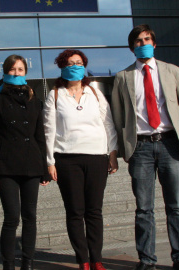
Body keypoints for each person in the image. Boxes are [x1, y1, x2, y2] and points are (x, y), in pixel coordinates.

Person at [111, 24, 179, 270]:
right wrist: (122, 150)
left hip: (170, 144)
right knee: (144, 208)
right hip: (141, 148)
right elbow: (117, 118)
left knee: (175, 206)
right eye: (138, 41)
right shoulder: (122, 77)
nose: (143, 43)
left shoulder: (172, 71)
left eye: (147, 39)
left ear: (154, 43)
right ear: (131, 47)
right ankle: (147, 260)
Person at [43, 49, 118, 270]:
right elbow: (49, 130)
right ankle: (83, 260)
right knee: (75, 211)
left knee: (94, 211)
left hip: (96, 157)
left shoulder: (94, 93)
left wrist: (112, 154)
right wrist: (50, 161)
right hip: (67, 159)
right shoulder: (55, 94)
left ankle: (97, 259)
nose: (75, 66)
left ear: (84, 66)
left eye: (79, 62)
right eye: (70, 63)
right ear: (62, 67)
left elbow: (109, 124)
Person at [0, 55, 50, 270]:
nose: (16, 73)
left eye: (20, 69)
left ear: (25, 73)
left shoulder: (35, 101)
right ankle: (8, 265)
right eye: (12, 69)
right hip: (6, 166)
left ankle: (28, 263)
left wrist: (44, 168)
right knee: (12, 217)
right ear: (4, 72)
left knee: (30, 216)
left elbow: (39, 135)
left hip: (31, 164)